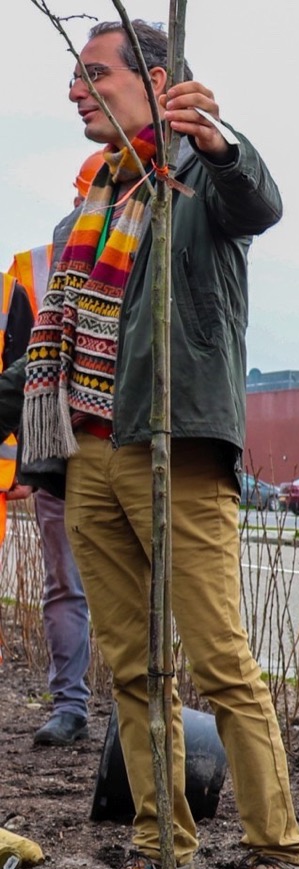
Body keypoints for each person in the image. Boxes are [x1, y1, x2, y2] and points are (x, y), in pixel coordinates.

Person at [0, 20, 299, 869]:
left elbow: (259, 201)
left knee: (220, 660)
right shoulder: (87, 205)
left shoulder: (194, 180)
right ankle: (160, 852)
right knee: (132, 669)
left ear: (156, 77)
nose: (74, 90)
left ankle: (277, 856)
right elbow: (47, 356)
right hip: (89, 456)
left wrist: (218, 139)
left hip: (172, 446)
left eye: (91, 73)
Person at [3, 154, 105, 748]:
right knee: (65, 583)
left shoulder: (155, 248)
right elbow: (27, 359)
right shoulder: (43, 261)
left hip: (121, 446)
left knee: (134, 587)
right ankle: (70, 705)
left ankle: (140, 713)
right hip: (56, 452)